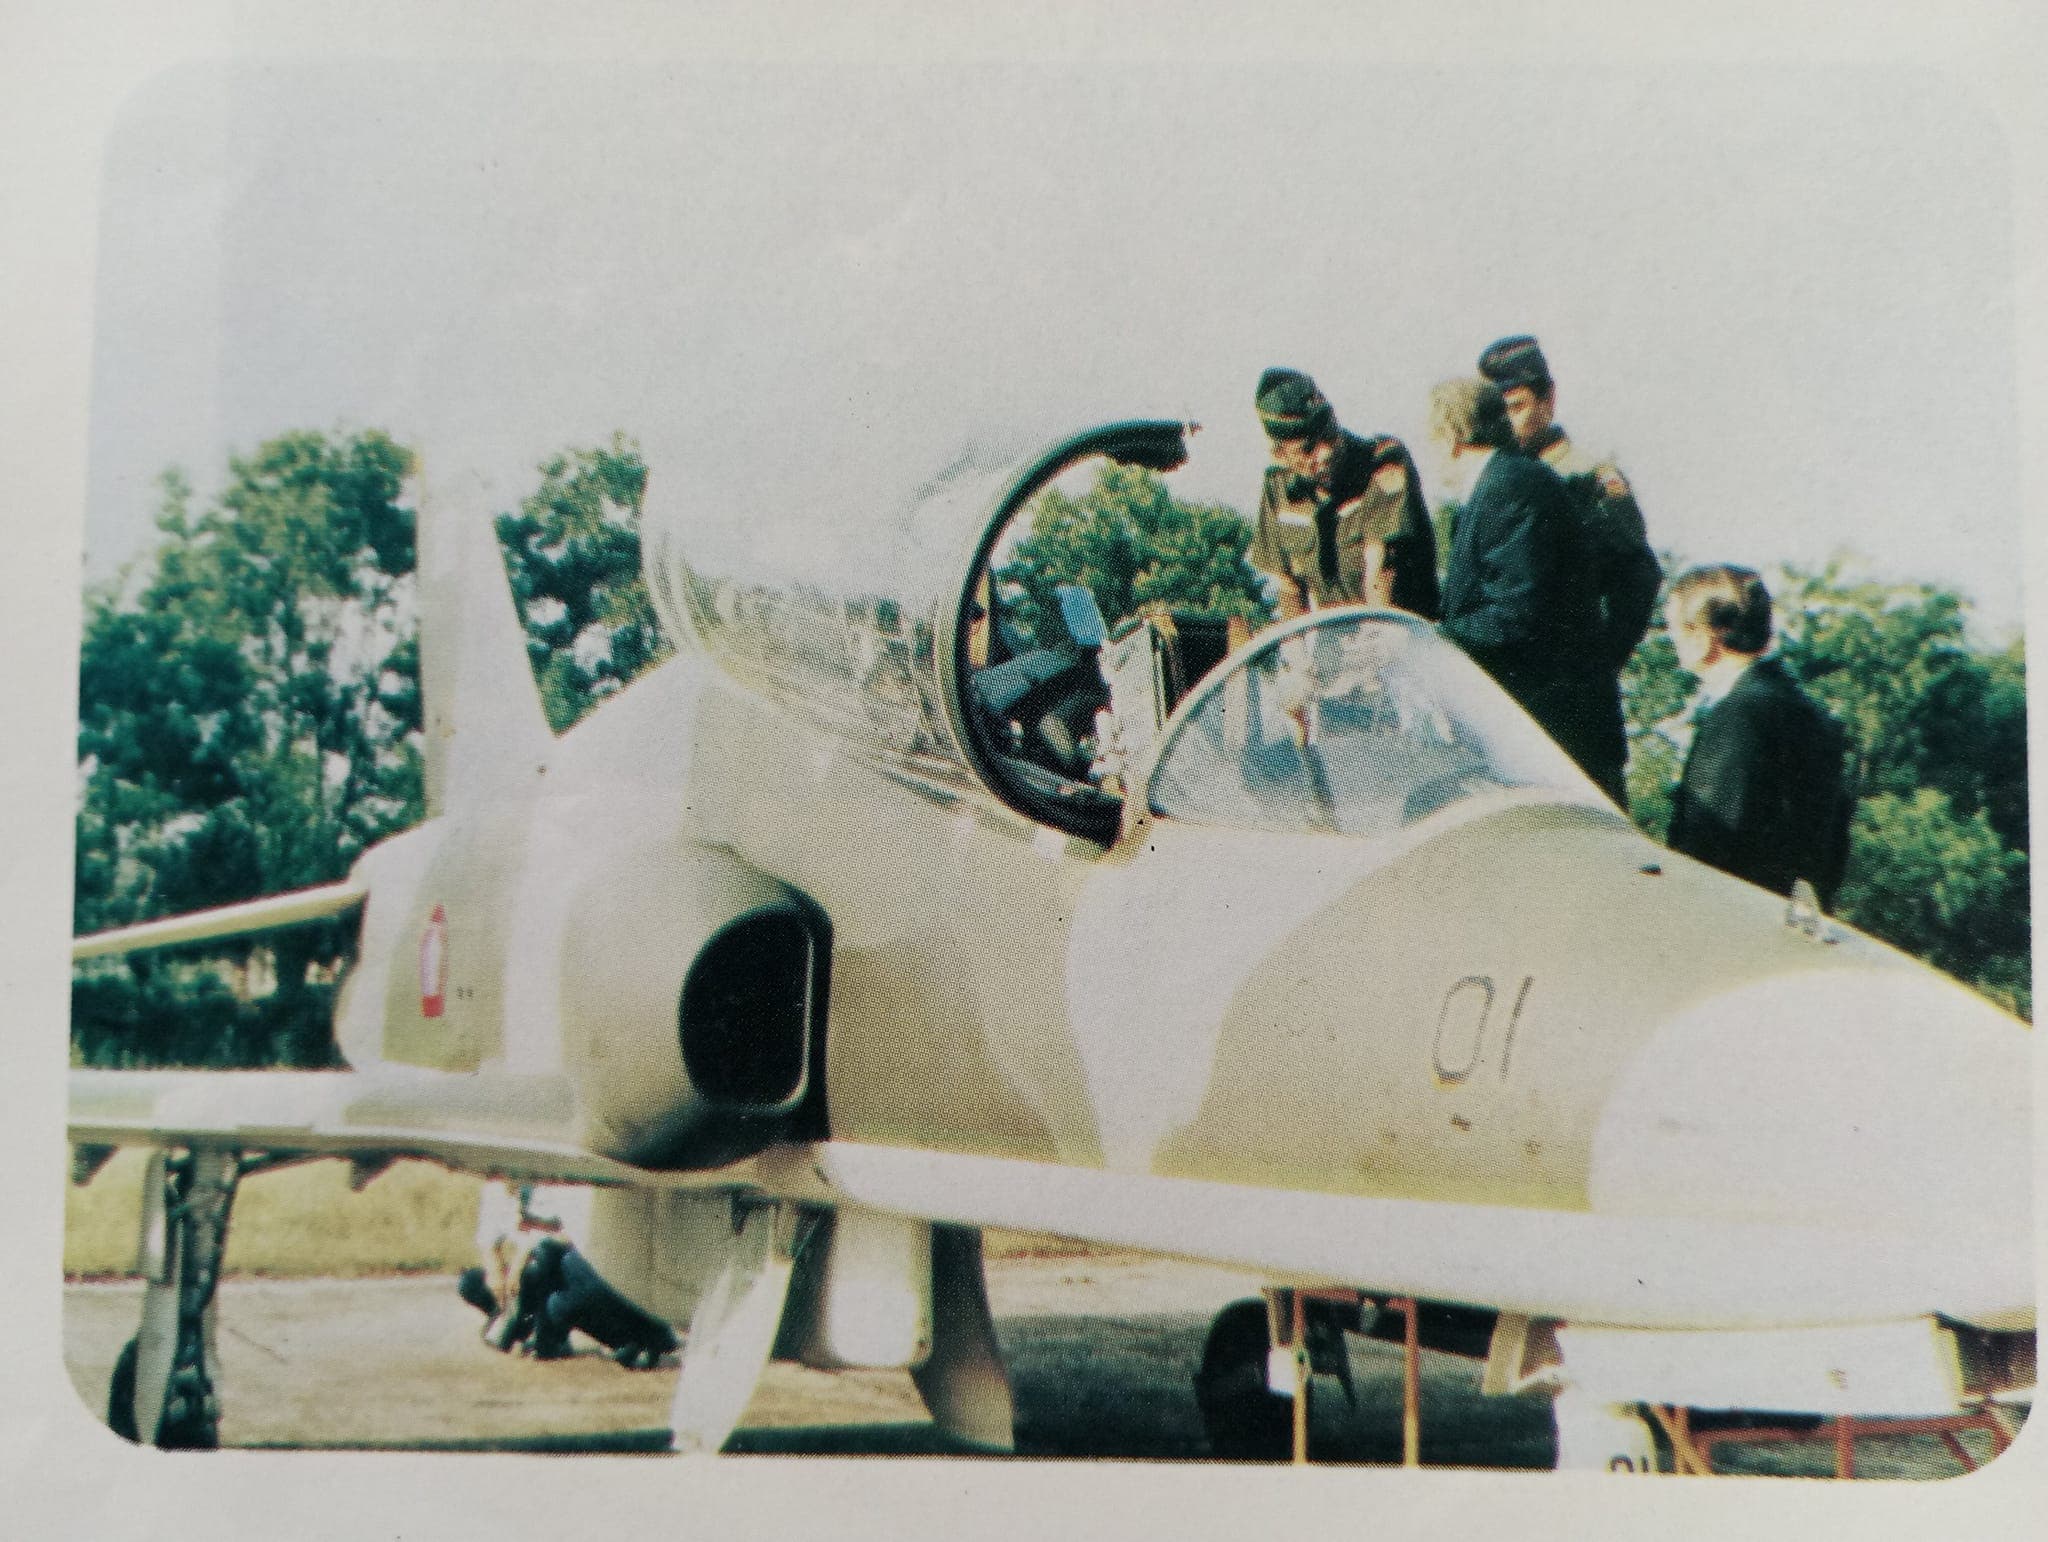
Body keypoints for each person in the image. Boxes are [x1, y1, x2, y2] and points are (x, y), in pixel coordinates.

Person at [1477, 334, 1661, 803]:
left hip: (1578, 708)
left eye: (1517, 406)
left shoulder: (1588, 475)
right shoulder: (1493, 480)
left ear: (1549, 399)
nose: (1507, 422)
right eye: (1497, 410)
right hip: (1513, 709)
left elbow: (1638, 576)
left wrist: (1598, 662)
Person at [1429, 377, 1611, 787]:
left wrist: (1433, 639)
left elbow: (1517, 612)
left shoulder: (1508, 486)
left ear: (1451, 437)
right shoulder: (1502, 483)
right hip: (1543, 725)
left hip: (1554, 730)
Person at [1662, 564, 1851, 905]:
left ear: (1705, 637)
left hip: (1726, 915)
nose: (1671, 639)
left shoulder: (1738, 714)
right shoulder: (1813, 715)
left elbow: (1704, 844)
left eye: (1674, 628)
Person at [1249, 369, 1440, 624]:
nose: (1326, 452)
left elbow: (1381, 574)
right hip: (1334, 639)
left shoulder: (1382, 462)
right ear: (1280, 455)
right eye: (1308, 449)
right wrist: (1297, 647)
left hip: (1400, 632)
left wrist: (1375, 645)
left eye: (1330, 435)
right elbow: (1288, 588)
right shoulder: (1277, 486)